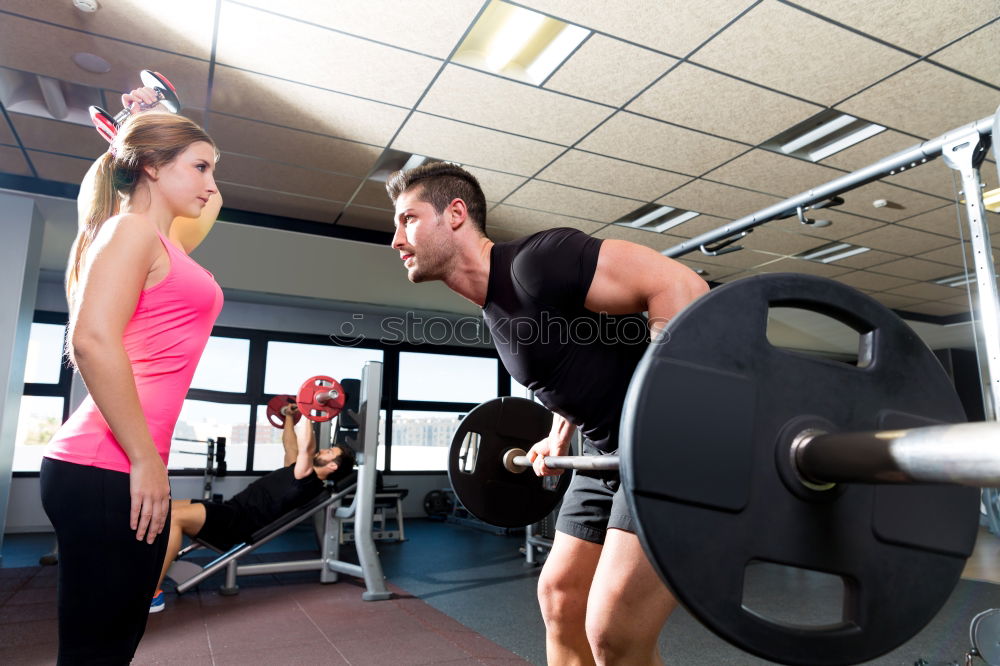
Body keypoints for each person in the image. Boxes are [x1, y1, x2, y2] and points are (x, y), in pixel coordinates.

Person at [386, 162, 709, 665]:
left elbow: (682, 285)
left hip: (668, 446)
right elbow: (577, 369)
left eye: (407, 220)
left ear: (454, 214)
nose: (396, 240)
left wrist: (659, 409)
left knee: (615, 632)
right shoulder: (497, 310)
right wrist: (559, 436)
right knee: (559, 598)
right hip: (608, 453)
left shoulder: (538, 262)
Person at [41, 109, 223, 663]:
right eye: (201, 167)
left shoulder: (164, 243)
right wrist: (145, 460)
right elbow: (92, 340)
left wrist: (165, 115)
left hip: (122, 464)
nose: (211, 184)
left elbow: (205, 202)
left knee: (113, 644)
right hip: (107, 463)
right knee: (97, 650)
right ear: (149, 165)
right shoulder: (129, 230)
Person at [150, 405, 356, 613]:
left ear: (333, 467)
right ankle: (143, 561)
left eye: (329, 452)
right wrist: (289, 418)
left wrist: (309, 412)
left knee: (174, 517)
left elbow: (306, 448)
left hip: (237, 523)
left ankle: (152, 595)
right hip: (230, 510)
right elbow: (291, 445)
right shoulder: (297, 470)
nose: (323, 450)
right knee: (164, 507)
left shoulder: (308, 481)